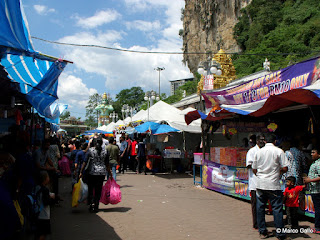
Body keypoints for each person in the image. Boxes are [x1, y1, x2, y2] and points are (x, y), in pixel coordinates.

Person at [252, 134, 290, 240]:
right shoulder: (279, 151)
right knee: (277, 209)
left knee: (260, 208)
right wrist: (278, 171)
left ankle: (263, 231)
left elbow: (254, 169)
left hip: (260, 184)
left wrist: (260, 176)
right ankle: (280, 234)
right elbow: (285, 167)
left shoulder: (258, 152)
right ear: (275, 141)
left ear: (264, 142)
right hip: (273, 184)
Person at [80, 138, 110, 212]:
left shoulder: (90, 150)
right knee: (98, 189)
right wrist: (110, 173)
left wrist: (81, 171)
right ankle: (96, 205)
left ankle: (91, 204)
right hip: (101, 173)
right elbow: (107, 164)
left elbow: (85, 162)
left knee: (91, 188)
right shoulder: (105, 151)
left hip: (92, 172)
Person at [246, 134, 265, 230]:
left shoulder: (266, 150)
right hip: (255, 182)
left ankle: (262, 222)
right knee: (255, 204)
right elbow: (248, 165)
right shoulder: (252, 151)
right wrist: (257, 165)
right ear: (257, 141)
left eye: (263, 140)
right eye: (260, 140)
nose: (262, 142)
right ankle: (256, 223)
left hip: (265, 182)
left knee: (262, 204)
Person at [303, 146, 320, 234]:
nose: (311, 154)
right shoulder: (315, 163)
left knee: (318, 209)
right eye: (311, 152)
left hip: (317, 190)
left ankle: (317, 227)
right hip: (314, 189)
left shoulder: (318, 163)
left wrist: (310, 180)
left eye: (314, 152)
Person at [35, 171, 55, 240]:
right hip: (44, 215)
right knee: (43, 234)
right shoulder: (45, 190)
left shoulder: (37, 187)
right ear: (45, 179)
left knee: (39, 233)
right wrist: (52, 198)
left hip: (37, 213)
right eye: (48, 177)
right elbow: (46, 202)